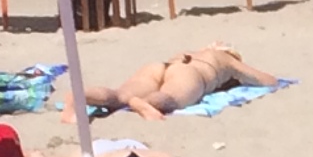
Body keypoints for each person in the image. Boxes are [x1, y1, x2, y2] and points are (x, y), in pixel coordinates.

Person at [93, 45, 285, 121]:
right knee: (168, 98)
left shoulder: (191, 52)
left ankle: (83, 95)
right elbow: (268, 81)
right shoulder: (224, 59)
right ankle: (142, 103)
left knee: (118, 95)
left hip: (160, 66)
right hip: (191, 73)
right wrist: (236, 70)